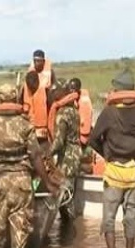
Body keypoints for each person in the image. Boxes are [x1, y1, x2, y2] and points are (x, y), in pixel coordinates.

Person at [86, 69, 135, 248]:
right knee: (130, 217)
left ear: (117, 89)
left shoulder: (110, 112)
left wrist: (106, 153)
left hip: (113, 173)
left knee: (109, 218)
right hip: (132, 173)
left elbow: (93, 138)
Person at [0, 83, 49, 248]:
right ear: (15, 99)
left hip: (2, 182)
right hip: (23, 184)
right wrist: (47, 180)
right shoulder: (25, 125)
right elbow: (36, 155)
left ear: (0, 99)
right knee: (20, 244)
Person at [47, 80, 82, 225]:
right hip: (74, 155)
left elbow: (59, 141)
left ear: (61, 92)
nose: (52, 95)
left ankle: (70, 232)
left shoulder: (62, 114)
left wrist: (47, 154)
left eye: (55, 91)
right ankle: (70, 228)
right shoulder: (73, 110)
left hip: (67, 158)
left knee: (65, 196)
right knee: (68, 193)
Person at [23, 49, 55, 146]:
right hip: (31, 118)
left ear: (43, 61)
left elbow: (54, 92)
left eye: (39, 61)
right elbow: (22, 97)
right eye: (35, 61)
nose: (37, 63)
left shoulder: (50, 74)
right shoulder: (29, 75)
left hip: (46, 114)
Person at [69, 77, 93, 146]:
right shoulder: (76, 98)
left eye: (73, 88)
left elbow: (83, 122)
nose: (71, 90)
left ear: (78, 89)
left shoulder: (84, 102)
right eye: (70, 88)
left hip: (83, 133)